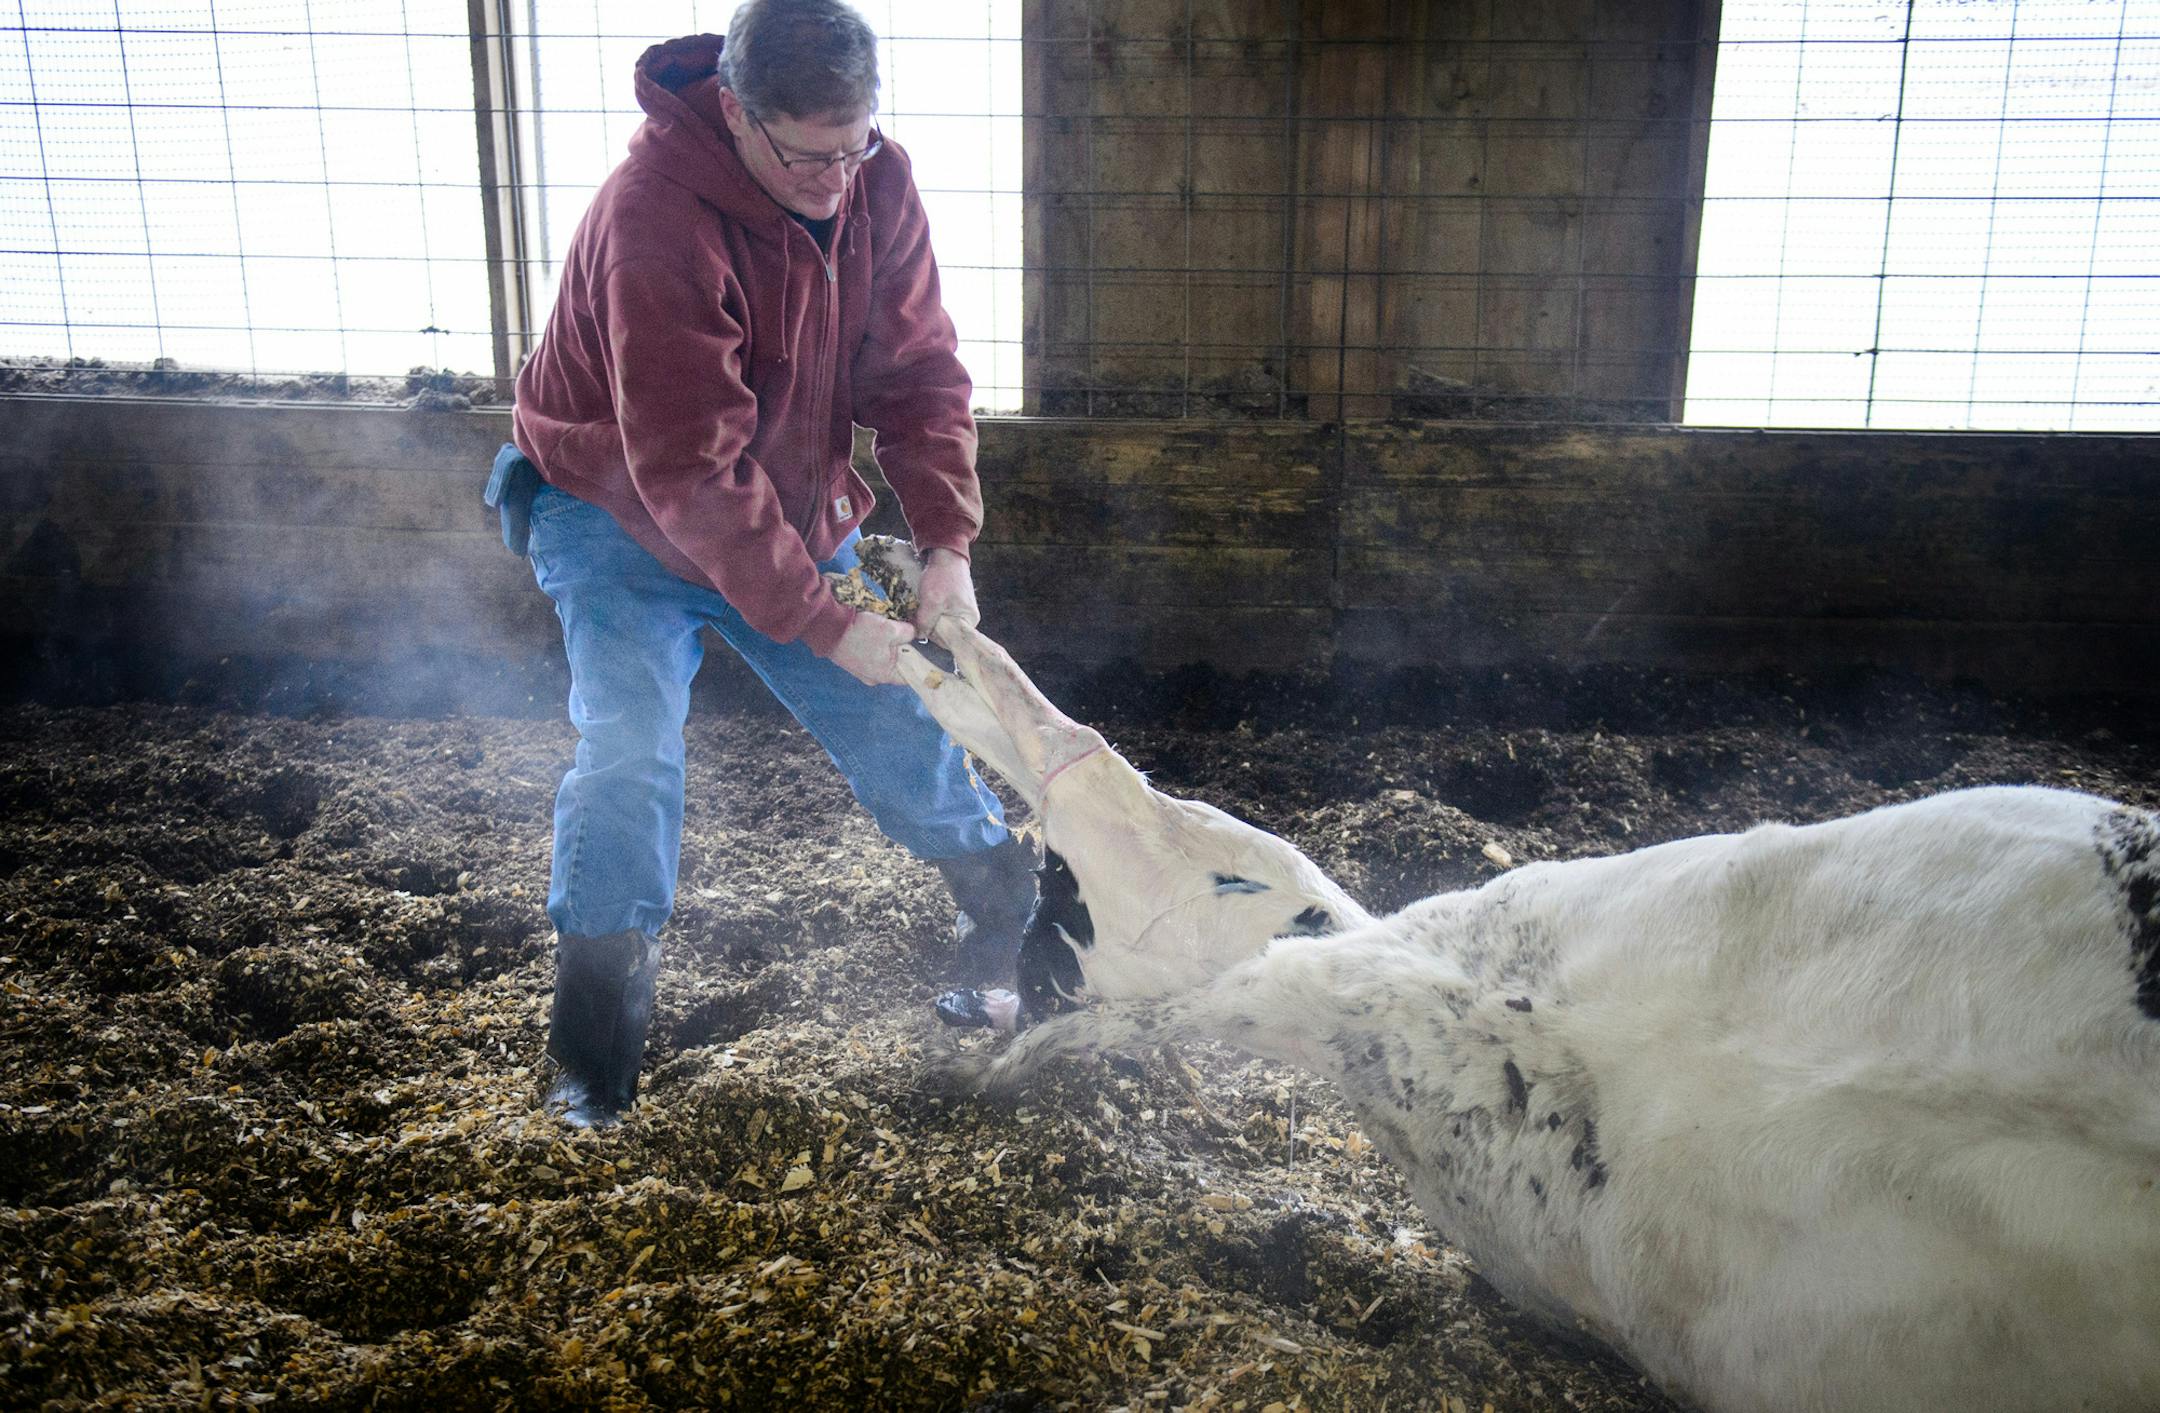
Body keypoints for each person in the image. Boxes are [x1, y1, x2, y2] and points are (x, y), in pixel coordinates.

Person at [487, 0, 1035, 1129]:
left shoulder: (875, 181)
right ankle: (593, 1054)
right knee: (630, 747)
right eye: (808, 154)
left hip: (779, 494)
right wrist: (826, 618)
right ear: (735, 113)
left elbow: (921, 370)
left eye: (856, 145)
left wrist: (947, 543)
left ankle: (1007, 920)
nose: (838, 176)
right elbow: (688, 465)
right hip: (616, 505)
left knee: (893, 716)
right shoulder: (655, 220)